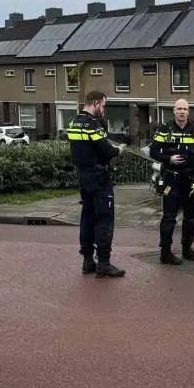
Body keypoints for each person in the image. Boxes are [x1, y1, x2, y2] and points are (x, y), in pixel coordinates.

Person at [67, 90, 127, 278]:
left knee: (87, 218)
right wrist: (118, 150)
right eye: (103, 105)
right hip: (99, 178)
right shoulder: (93, 125)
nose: (103, 109)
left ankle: (87, 261)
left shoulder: (74, 122)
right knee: (104, 220)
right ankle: (104, 264)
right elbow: (106, 151)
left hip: (83, 177)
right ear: (96, 104)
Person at [149, 98, 194, 265]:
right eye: (179, 109)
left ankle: (187, 249)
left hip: (191, 180)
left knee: (191, 218)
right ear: (174, 111)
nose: (182, 111)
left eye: (185, 109)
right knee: (169, 218)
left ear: (188, 111)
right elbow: (153, 152)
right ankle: (165, 253)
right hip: (172, 179)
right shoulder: (165, 129)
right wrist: (169, 158)